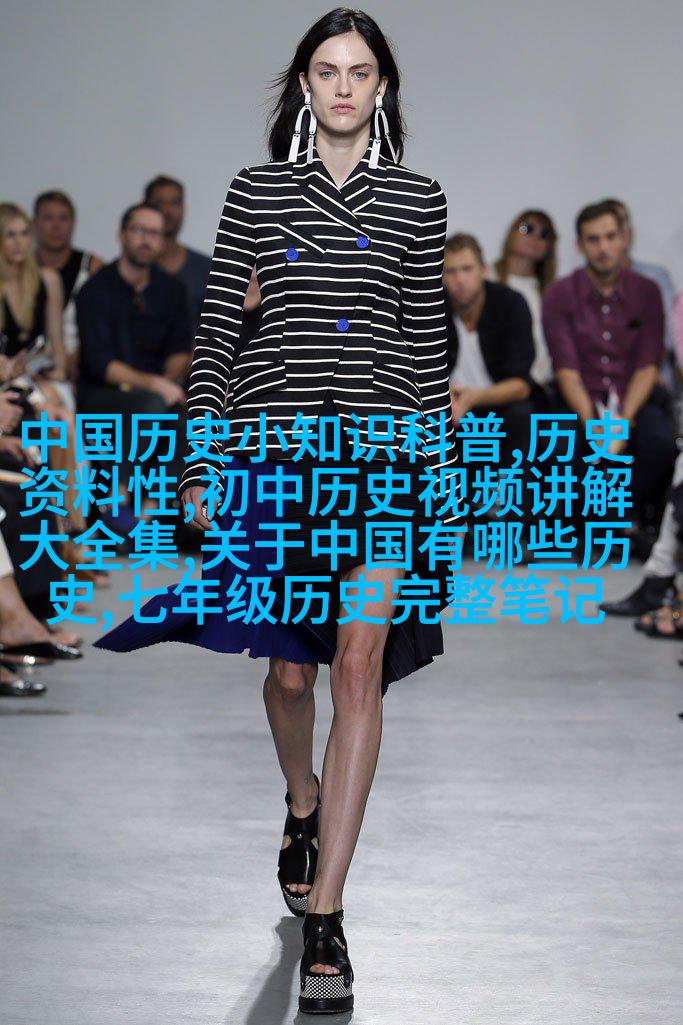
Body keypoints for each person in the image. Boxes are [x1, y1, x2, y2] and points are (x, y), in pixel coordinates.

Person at [92, 9, 460, 1014]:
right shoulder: (255, 192)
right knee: (291, 671)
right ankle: (300, 796)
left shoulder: (418, 198)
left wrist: (438, 474)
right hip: (275, 450)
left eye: (360, 72)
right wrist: (199, 461)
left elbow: (425, 344)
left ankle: (328, 914)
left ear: (380, 88)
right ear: (303, 85)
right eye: (326, 71)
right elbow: (217, 333)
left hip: (383, 460)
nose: (343, 87)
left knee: (357, 664)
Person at [542, 200, 678, 537]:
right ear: (579, 245)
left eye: (610, 237)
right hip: (578, 398)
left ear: (624, 238)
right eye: (593, 239)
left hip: (634, 398)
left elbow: (647, 365)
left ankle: (616, 515)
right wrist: (593, 425)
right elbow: (566, 369)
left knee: (660, 443)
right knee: (557, 445)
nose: (603, 248)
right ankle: (605, 521)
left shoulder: (647, 292)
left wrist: (623, 422)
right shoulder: (560, 293)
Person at [75, 202, 193, 529]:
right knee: (152, 404)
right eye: (139, 230)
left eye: (154, 233)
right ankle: (119, 496)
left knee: (186, 416)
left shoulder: (172, 290)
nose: (146, 239)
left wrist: (167, 382)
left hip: (154, 394)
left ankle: (146, 515)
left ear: (163, 241)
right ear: (121, 235)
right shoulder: (96, 290)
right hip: (101, 394)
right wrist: (156, 386)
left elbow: (181, 350)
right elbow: (101, 364)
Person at [443, 232, 535, 472]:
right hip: (446, 405)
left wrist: (474, 398)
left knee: (521, 414)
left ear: (483, 270)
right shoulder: (429, 308)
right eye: (451, 271)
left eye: (467, 269)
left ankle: (507, 490)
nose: (460, 279)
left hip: (497, 404)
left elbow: (520, 385)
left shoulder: (510, 304)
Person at [603, 198, 677, 390]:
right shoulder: (577, 287)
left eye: (620, 223)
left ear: (629, 233)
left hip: (653, 384)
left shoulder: (655, 278)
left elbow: (667, 338)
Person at [33, 190, 104, 392]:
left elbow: (102, 327)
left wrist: (78, 360)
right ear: (35, 223)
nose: (56, 226)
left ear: (73, 223)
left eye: (63, 218)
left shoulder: (93, 267)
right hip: (30, 365)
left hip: (83, 364)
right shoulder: (21, 268)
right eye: (48, 218)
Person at [490, 209, 558, 397]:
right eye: (527, 228)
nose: (535, 237)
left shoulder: (552, 292)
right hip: (493, 387)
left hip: (540, 388)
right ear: (511, 232)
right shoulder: (484, 278)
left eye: (544, 234)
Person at [143, 175, 211, 337]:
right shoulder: (133, 267)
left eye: (174, 203)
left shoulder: (206, 269)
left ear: (183, 208)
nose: (167, 211)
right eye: (160, 202)